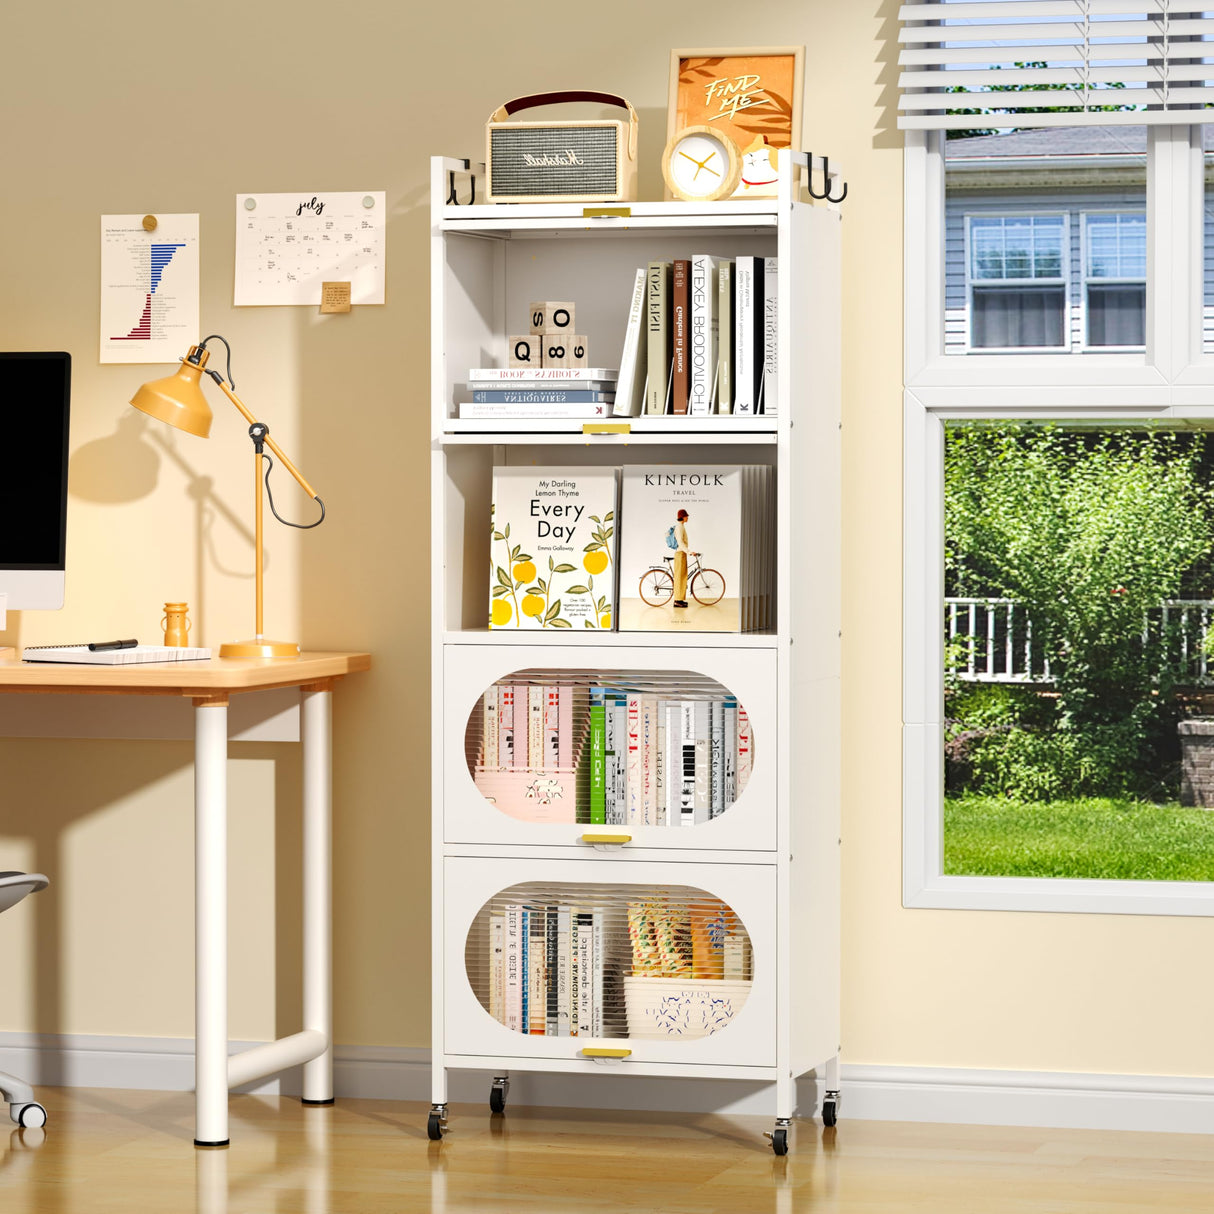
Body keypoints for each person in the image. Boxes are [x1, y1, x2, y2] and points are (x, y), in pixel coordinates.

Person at [672, 508, 690, 608]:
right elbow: (680, 542)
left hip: (682, 554)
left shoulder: (681, 526)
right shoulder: (679, 527)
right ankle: (677, 601)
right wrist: (689, 551)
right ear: (682, 517)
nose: (687, 517)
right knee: (679, 577)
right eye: (686, 516)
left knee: (682, 576)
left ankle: (680, 599)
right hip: (680, 554)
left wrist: (687, 552)